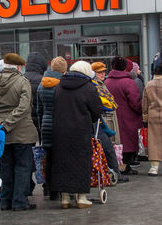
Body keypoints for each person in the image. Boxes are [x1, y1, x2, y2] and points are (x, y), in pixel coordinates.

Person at [0, 53, 39, 211]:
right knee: (23, 167)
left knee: (5, 167)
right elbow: (24, 107)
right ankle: (19, 201)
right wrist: (8, 123)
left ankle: (5, 200)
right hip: (22, 131)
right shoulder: (23, 82)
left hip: (1, 132)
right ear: (18, 67)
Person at [50, 60, 102, 206]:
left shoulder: (59, 86)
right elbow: (97, 110)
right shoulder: (89, 88)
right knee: (81, 162)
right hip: (80, 131)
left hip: (60, 131)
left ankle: (65, 198)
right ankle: (81, 197)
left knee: (62, 162)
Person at [35, 56, 66, 199]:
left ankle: (50, 190)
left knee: (49, 159)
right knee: (62, 158)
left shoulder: (42, 85)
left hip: (46, 125)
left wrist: (41, 127)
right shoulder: (63, 85)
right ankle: (62, 189)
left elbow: (39, 110)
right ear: (64, 70)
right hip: (61, 125)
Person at [105, 56, 142, 169]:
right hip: (129, 117)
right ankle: (126, 166)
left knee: (117, 141)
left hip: (111, 117)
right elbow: (135, 102)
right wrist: (141, 110)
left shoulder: (107, 82)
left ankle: (120, 166)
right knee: (128, 143)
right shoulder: (128, 82)